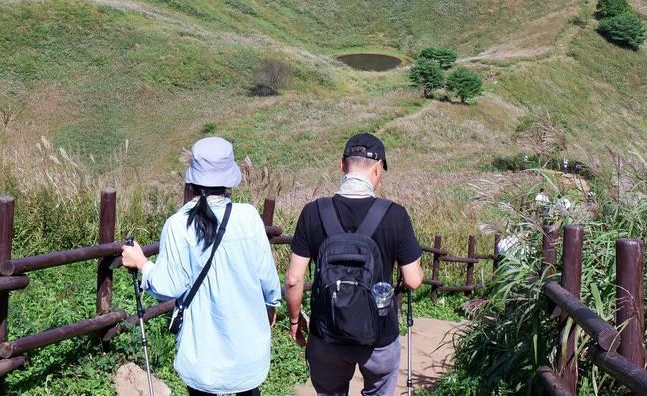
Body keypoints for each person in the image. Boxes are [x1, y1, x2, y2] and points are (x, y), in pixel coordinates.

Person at [122, 137, 281, 396]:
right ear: (229, 178)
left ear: (192, 178)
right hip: (247, 350)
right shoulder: (249, 216)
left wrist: (142, 263)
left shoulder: (178, 224)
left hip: (202, 353)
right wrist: (271, 304)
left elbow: (168, 287)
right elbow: (267, 275)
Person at [285, 133, 424, 396]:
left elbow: (293, 279)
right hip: (379, 336)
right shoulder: (395, 214)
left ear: (342, 164)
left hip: (327, 334)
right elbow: (413, 280)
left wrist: (294, 320)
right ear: (378, 168)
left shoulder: (313, 212)